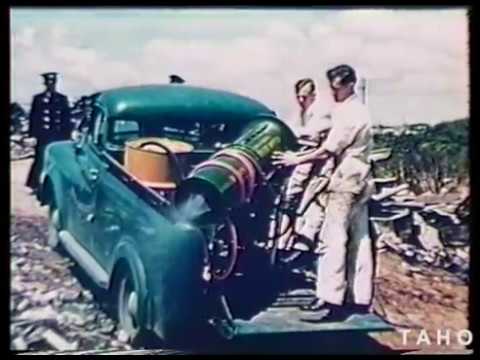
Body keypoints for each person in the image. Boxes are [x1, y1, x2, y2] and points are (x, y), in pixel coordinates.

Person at [272, 64, 375, 320]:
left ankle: (331, 299)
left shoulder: (350, 113)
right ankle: (359, 297)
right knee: (359, 240)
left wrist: (294, 160)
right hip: (360, 178)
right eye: (331, 87)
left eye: (338, 88)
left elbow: (329, 149)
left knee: (332, 239)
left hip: (345, 180)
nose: (334, 92)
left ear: (350, 84)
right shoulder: (354, 110)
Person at [275, 78, 333, 251]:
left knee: (309, 205)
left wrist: (297, 155)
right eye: (299, 97)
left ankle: (305, 243)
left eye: (305, 97)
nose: (301, 100)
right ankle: (284, 243)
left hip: (316, 166)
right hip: (297, 163)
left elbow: (314, 141)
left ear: (313, 95)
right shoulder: (298, 114)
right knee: (289, 202)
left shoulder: (321, 113)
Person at [26, 72, 71, 193]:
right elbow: (33, 118)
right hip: (43, 135)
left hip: (58, 135)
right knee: (40, 159)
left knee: (58, 160)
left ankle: (56, 185)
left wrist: (68, 135)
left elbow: (66, 118)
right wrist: (32, 135)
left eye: (53, 82)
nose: (51, 85)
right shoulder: (38, 99)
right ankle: (35, 185)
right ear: (45, 83)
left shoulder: (62, 98)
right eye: (49, 82)